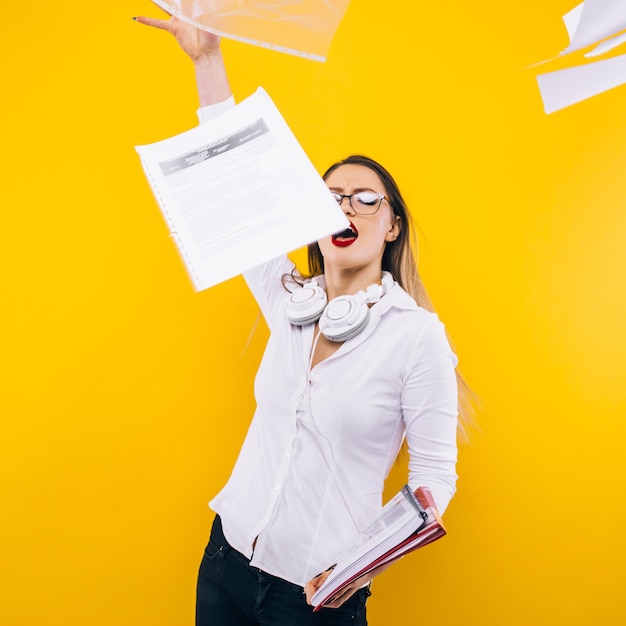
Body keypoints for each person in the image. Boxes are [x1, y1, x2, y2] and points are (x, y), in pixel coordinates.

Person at [135, 7, 464, 626]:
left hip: (314, 598)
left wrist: (356, 569)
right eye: (333, 196)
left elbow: (434, 481)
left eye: (368, 199)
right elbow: (230, 184)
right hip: (226, 564)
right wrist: (208, 61)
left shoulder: (415, 335)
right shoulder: (290, 298)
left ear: (392, 225)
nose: (349, 207)